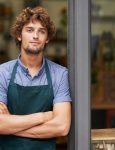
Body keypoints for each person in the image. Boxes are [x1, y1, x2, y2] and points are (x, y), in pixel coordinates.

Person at [0, 6, 71, 150]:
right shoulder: (2, 72)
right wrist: (43, 117)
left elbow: (62, 127)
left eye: (42, 31)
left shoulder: (60, 73)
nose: (35, 36)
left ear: (47, 39)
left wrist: (11, 126)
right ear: (19, 35)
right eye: (30, 30)